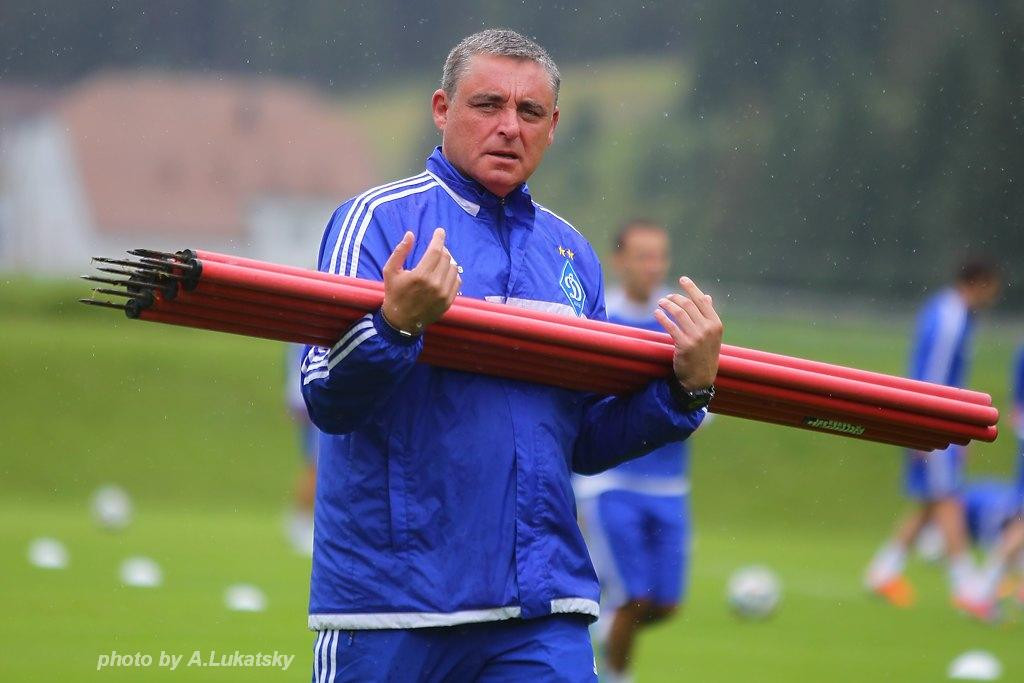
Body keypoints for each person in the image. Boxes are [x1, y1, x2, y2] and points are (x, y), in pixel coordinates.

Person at [299, 29, 723, 682]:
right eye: (487, 105)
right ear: (442, 109)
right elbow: (326, 394)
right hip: (393, 605)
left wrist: (683, 392)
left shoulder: (571, 254)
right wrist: (395, 327)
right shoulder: (378, 220)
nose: (508, 127)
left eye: (529, 112)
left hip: (540, 609)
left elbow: (582, 439)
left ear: (553, 126)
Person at [573, 220, 699, 683]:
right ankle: (616, 674)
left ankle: (606, 628)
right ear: (619, 260)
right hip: (611, 485)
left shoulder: (683, 319)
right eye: (643, 256)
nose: (653, 266)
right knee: (633, 597)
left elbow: (702, 398)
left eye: (659, 256)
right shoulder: (599, 314)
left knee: (666, 603)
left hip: (670, 487)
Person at [864, 259, 1000, 613]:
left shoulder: (953, 313)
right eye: (992, 288)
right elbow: (933, 375)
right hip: (933, 418)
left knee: (931, 501)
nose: (994, 297)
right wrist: (927, 425)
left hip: (939, 418)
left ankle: (882, 571)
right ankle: (966, 586)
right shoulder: (950, 317)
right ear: (979, 283)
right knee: (948, 497)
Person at [285, 343, 318, 556]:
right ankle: (300, 523)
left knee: (313, 463)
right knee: (315, 464)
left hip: (308, 396)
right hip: (312, 397)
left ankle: (302, 522)